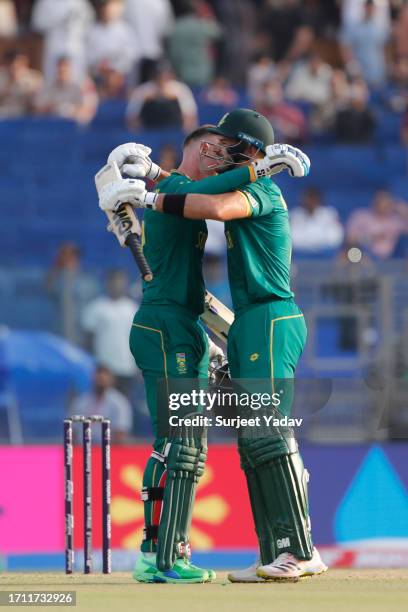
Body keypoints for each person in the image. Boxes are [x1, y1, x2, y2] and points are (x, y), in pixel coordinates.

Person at [99, 109, 326, 581]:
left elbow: (215, 206)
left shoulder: (262, 188)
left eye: (228, 144)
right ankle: (272, 553)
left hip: (269, 314)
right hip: (233, 322)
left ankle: (299, 550)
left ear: (249, 149)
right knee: (244, 443)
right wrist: (154, 181)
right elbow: (192, 190)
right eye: (212, 145)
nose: (216, 152)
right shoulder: (231, 181)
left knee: (264, 432)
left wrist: (149, 192)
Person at [45, 242, 99, 345]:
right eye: (63, 255)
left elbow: (95, 311)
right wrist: (56, 267)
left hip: (82, 338)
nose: (66, 259)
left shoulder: (89, 283)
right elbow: (48, 288)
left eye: (70, 255)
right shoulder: (57, 282)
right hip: (60, 337)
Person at [70, 365, 132, 443]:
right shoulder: (81, 401)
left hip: (108, 449)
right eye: (98, 380)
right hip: (82, 449)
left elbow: (121, 432)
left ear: (111, 380)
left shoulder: (119, 403)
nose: (100, 382)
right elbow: (73, 431)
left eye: (103, 380)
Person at [126, 63, 197, 131]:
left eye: (165, 76)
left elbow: (190, 116)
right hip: (149, 130)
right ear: (153, 76)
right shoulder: (143, 90)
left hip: (174, 130)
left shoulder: (181, 89)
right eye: (159, 76)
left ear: (171, 75)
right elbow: (132, 117)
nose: (162, 79)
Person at [34, 56, 98, 124]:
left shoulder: (84, 85)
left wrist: (69, 110)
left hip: (76, 127)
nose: (62, 69)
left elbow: (88, 111)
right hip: (52, 126)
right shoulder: (48, 86)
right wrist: (53, 109)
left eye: (66, 66)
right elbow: (37, 109)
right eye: (59, 66)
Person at [346, 190, 408, 259]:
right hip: (364, 256)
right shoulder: (361, 216)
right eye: (381, 201)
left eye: (387, 202)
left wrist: (404, 211)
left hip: (391, 259)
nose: (384, 205)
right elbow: (350, 239)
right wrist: (370, 238)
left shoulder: (395, 220)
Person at [290, 187, 344, 253]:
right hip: (300, 255)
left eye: (312, 199)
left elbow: (336, 238)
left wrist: (312, 243)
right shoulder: (295, 215)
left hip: (326, 254)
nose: (309, 202)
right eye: (307, 199)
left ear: (318, 199)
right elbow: (292, 239)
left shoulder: (329, 214)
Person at [0, 50, 43, 118]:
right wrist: (10, 82)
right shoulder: (2, 75)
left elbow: (37, 101)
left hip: (25, 115)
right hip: (4, 113)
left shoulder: (34, 77)